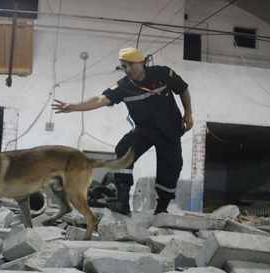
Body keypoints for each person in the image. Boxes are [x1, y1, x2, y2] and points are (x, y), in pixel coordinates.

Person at [52, 47, 193, 215]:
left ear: (141, 62)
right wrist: (74, 107)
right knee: (124, 148)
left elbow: (182, 88)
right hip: (145, 130)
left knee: (172, 166)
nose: (127, 70)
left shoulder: (162, 74)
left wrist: (188, 114)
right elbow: (100, 99)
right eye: (124, 66)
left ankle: (162, 209)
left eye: (131, 65)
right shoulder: (123, 86)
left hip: (169, 129)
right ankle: (122, 201)